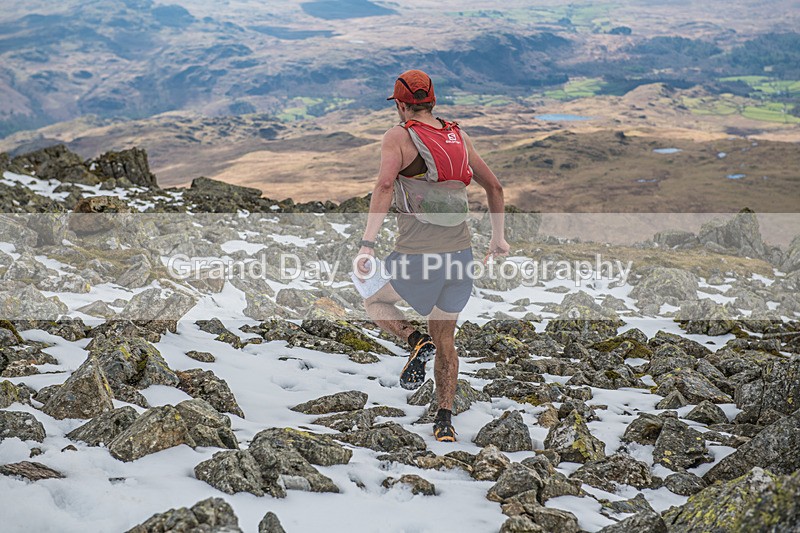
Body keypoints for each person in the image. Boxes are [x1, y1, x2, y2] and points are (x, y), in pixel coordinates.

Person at [355, 69, 508, 442]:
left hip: (417, 256)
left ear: (403, 105)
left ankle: (412, 340)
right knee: (447, 342)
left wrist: (368, 244)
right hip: (459, 256)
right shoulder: (459, 136)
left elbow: (386, 185)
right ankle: (444, 420)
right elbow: (495, 187)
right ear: (433, 101)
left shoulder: (399, 136)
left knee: (373, 299)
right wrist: (498, 240)